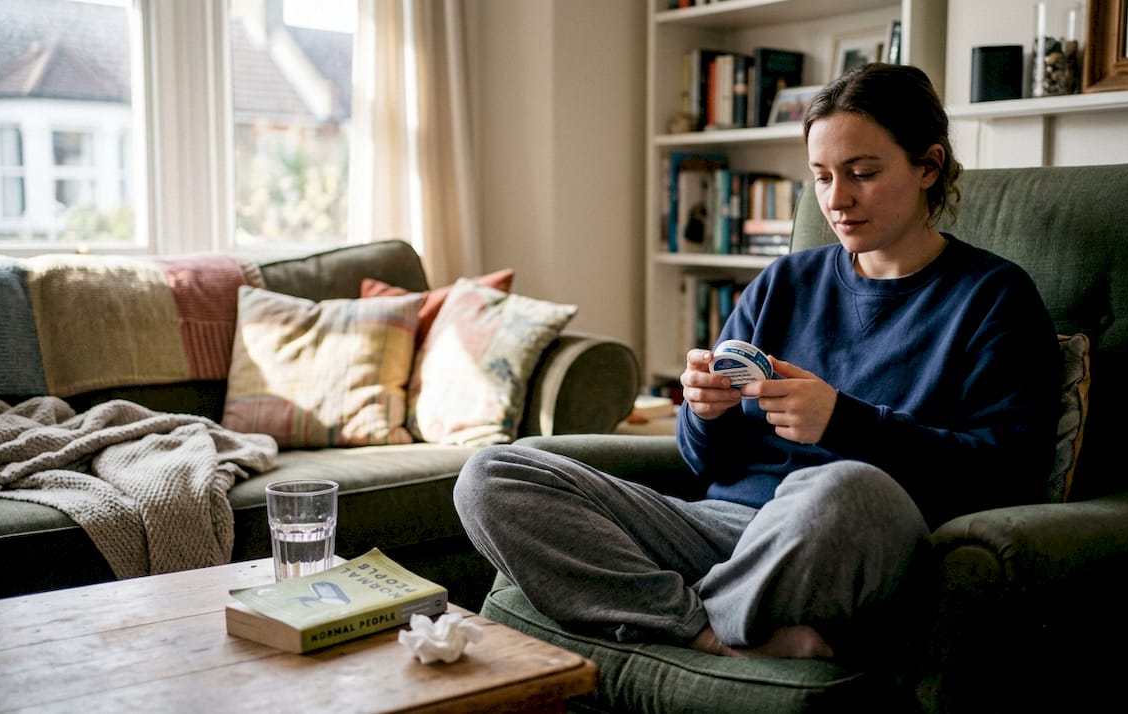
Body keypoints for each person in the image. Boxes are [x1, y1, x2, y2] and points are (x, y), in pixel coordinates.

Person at [453, 63, 1059, 663]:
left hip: (838, 536)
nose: (837, 200)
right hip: (719, 528)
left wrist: (844, 422)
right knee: (492, 475)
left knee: (843, 486)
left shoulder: (993, 297)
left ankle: (659, 608)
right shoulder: (785, 282)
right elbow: (701, 461)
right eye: (821, 178)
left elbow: (1008, 475)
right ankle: (705, 633)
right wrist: (704, 410)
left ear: (928, 165)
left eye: (862, 173)